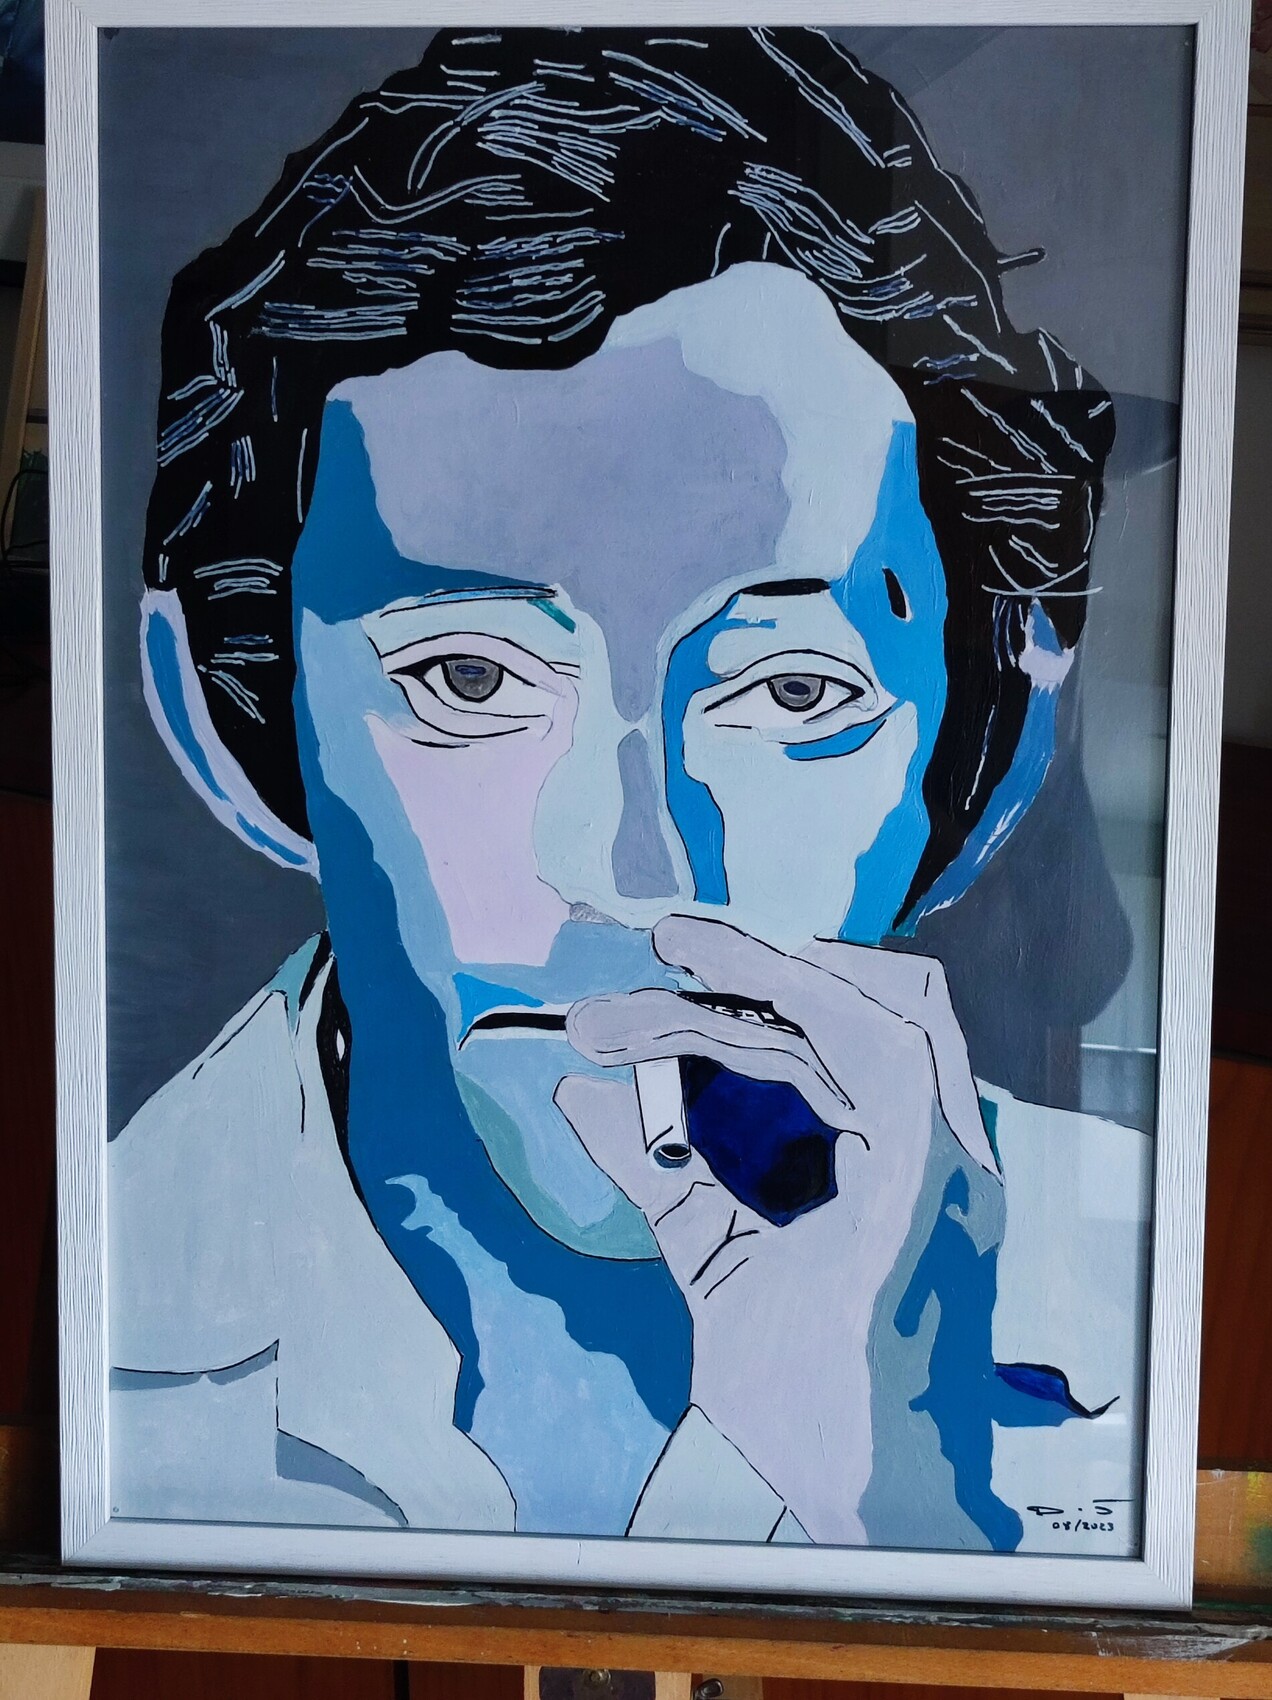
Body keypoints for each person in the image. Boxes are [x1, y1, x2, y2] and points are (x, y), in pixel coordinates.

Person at [111, 25, 1148, 1554]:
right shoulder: (97, 1342)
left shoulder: (1143, 1315)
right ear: (225, 727)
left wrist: (911, 1497)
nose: (631, 865)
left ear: (991, 767)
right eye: (468, 681)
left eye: (795, 694)